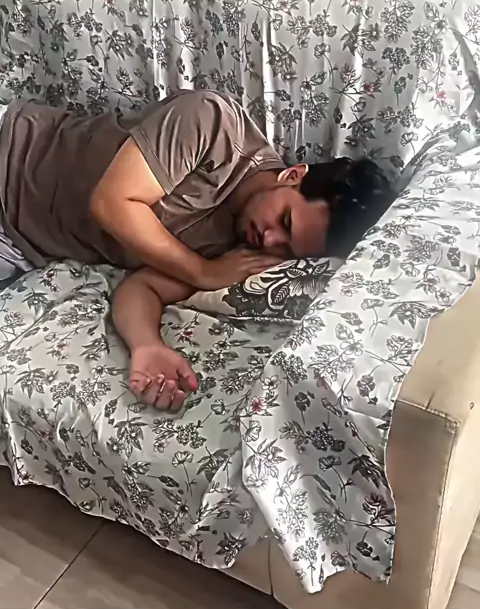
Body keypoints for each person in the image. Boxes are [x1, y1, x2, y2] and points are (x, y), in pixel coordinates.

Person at [0, 88, 392, 410]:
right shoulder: (214, 123)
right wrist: (203, 272)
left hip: (17, 246)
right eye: (285, 221)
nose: (271, 240)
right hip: (10, 151)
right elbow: (111, 203)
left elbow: (142, 289)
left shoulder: (244, 254)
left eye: (288, 250)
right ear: (292, 176)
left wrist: (147, 346)